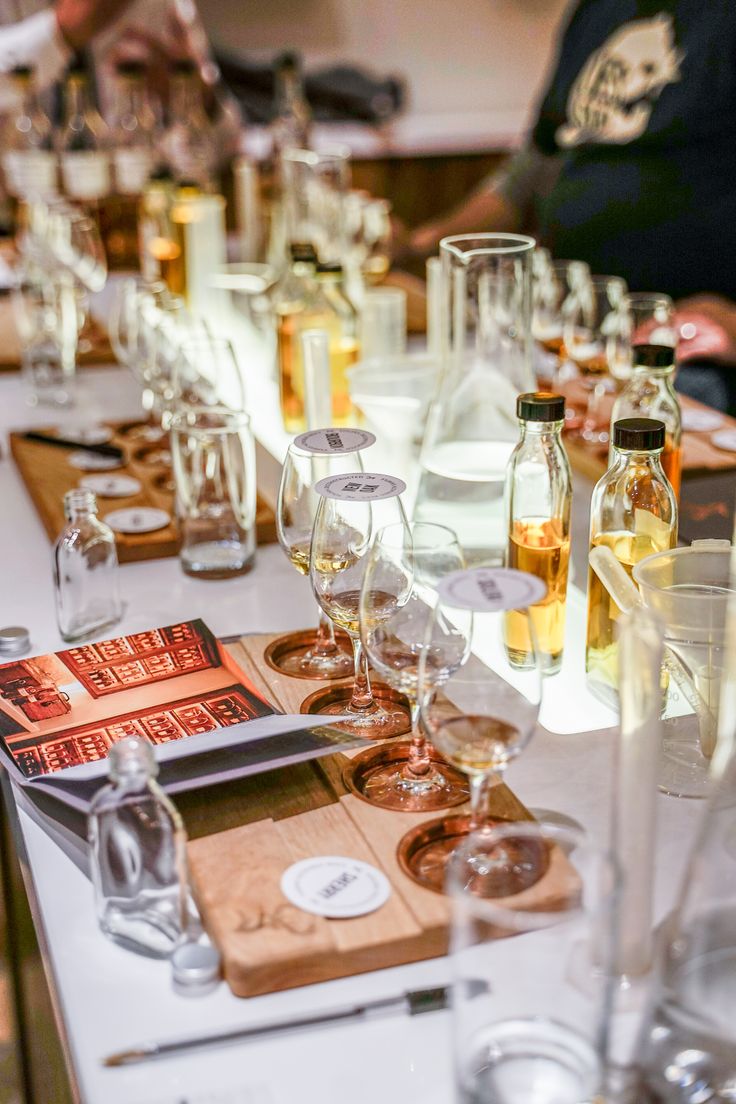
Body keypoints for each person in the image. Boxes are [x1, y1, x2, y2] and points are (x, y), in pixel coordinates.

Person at [404, 1, 736, 413]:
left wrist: (731, 322)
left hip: (681, 359)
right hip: (571, 332)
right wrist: (425, 241)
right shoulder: (595, 10)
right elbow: (534, 164)